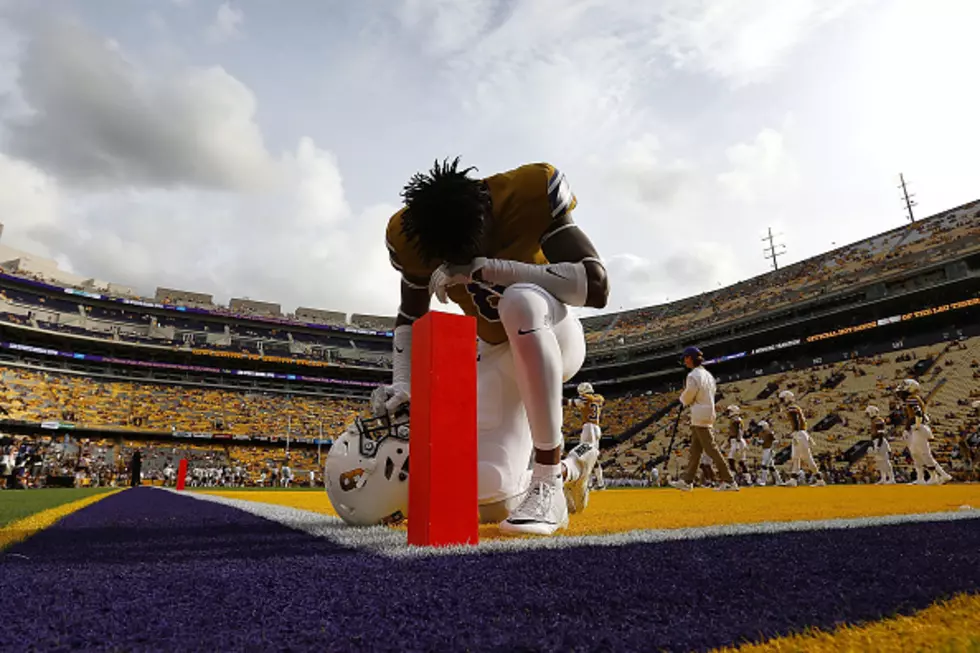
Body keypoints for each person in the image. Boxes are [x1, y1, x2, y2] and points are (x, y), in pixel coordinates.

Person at [379, 158, 610, 535]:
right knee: (489, 493)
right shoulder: (413, 233)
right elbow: (411, 317)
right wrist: (403, 383)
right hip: (496, 353)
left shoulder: (526, 193)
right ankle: (575, 466)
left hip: (553, 331)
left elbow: (595, 286)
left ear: (487, 215)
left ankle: (549, 480)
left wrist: (489, 269)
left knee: (518, 300)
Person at [669, 346, 738, 492]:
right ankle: (687, 480)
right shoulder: (708, 375)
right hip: (708, 411)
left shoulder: (693, 375)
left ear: (689, 358)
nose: (684, 361)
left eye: (685, 358)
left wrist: (681, 400)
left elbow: (690, 394)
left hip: (699, 414)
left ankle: (729, 480)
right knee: (695, 450)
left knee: (711, 448)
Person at [898, 379, 951, 485]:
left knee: (924, 454)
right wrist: (907, 429)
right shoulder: (913, 398)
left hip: (919, 427)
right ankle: (923, 478)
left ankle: (941, 475)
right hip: (917, 427)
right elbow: (914, 415)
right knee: (916, 453)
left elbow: (918, 413)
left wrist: (917, 425)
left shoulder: (912, 398)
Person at [778, 391, 825, 487]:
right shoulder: (793, 408)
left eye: (783, 399)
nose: (782, 401)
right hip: (799, 434)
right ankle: (793, 480)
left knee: (806, 458)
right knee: (795, 457)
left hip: (799, 434)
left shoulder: (792, 408)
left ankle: (820, 480)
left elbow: (797, 422)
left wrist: (795, 432)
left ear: (787, 398)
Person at [566, 382, 606, 493]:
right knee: (593, 457)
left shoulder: (585, 398)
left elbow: (570, 402)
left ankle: (587, 483)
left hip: (588, 429)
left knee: (582, 455)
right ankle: (600, 483)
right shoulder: (599, 398)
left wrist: (557, 399)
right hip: (597, 428)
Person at [865, 406, 894, 484]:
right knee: (879, 461)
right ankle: (883, 478)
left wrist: (878, 445)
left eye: (868, 413)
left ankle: (891, 478)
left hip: (880, 441)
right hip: (876, 441)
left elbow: (881, 434)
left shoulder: (878, 420)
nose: (867, 415)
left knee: (885, 461)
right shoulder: (874, 420)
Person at [755, 420, 782, 486]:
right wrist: (758, 442)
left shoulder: (769, 432)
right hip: (765, 450)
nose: (760, 428)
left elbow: (776, 440)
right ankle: (779, 481)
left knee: (764, 465)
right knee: (771, 467)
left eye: (761, 427)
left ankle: (763, 481)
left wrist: (773, 447)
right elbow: (761, 442)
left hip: (769, 449)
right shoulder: (761, 433)